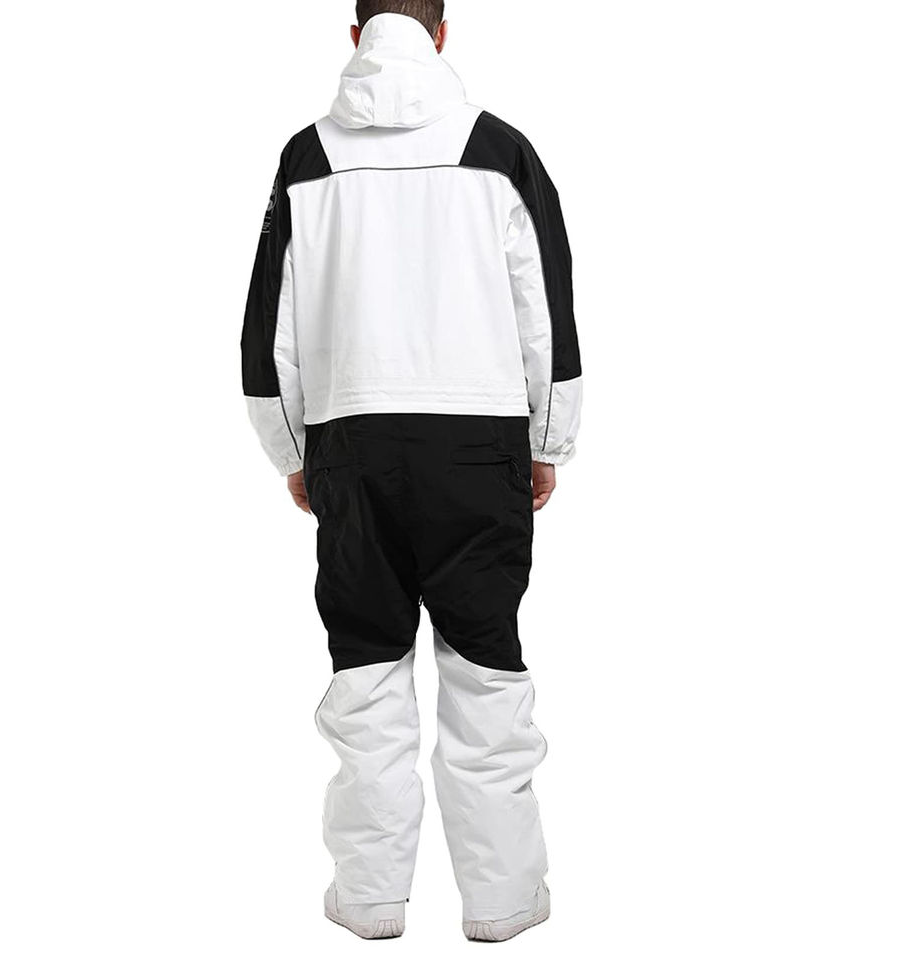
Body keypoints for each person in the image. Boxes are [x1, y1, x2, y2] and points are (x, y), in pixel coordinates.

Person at [241, 0, 582, 943]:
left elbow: (267, 335)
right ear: (442, 32)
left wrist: (294, 452)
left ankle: (370, 901)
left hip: (351, 443)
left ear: (355, 35)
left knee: (365, 675)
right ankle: (502, 904)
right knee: (486, 675)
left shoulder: (307, 157)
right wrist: (547, 441)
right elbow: (547, 312)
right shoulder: (501, 150)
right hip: (478, 446)